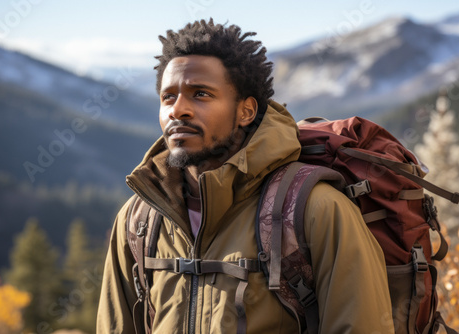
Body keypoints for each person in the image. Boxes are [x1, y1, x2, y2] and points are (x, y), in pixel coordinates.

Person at [97, 19, 394, 334]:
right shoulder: (138, 220)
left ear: (246, 111)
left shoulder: (316, 211)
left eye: (200, 94)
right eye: (168, 97)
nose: (178, 110)